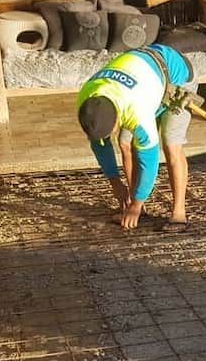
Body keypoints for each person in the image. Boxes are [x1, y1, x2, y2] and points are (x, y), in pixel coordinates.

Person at [77, 44, 195, 233]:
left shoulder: (136, 111)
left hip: (176, 75)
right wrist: (115, 183)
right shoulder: (88, 100)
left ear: (118, 119)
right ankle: (134, 205)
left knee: (171, 143)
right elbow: (99, 144)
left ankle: (178, 213)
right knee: (125, 142)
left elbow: (150, 160)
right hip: (144, 79)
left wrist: (137, 204)